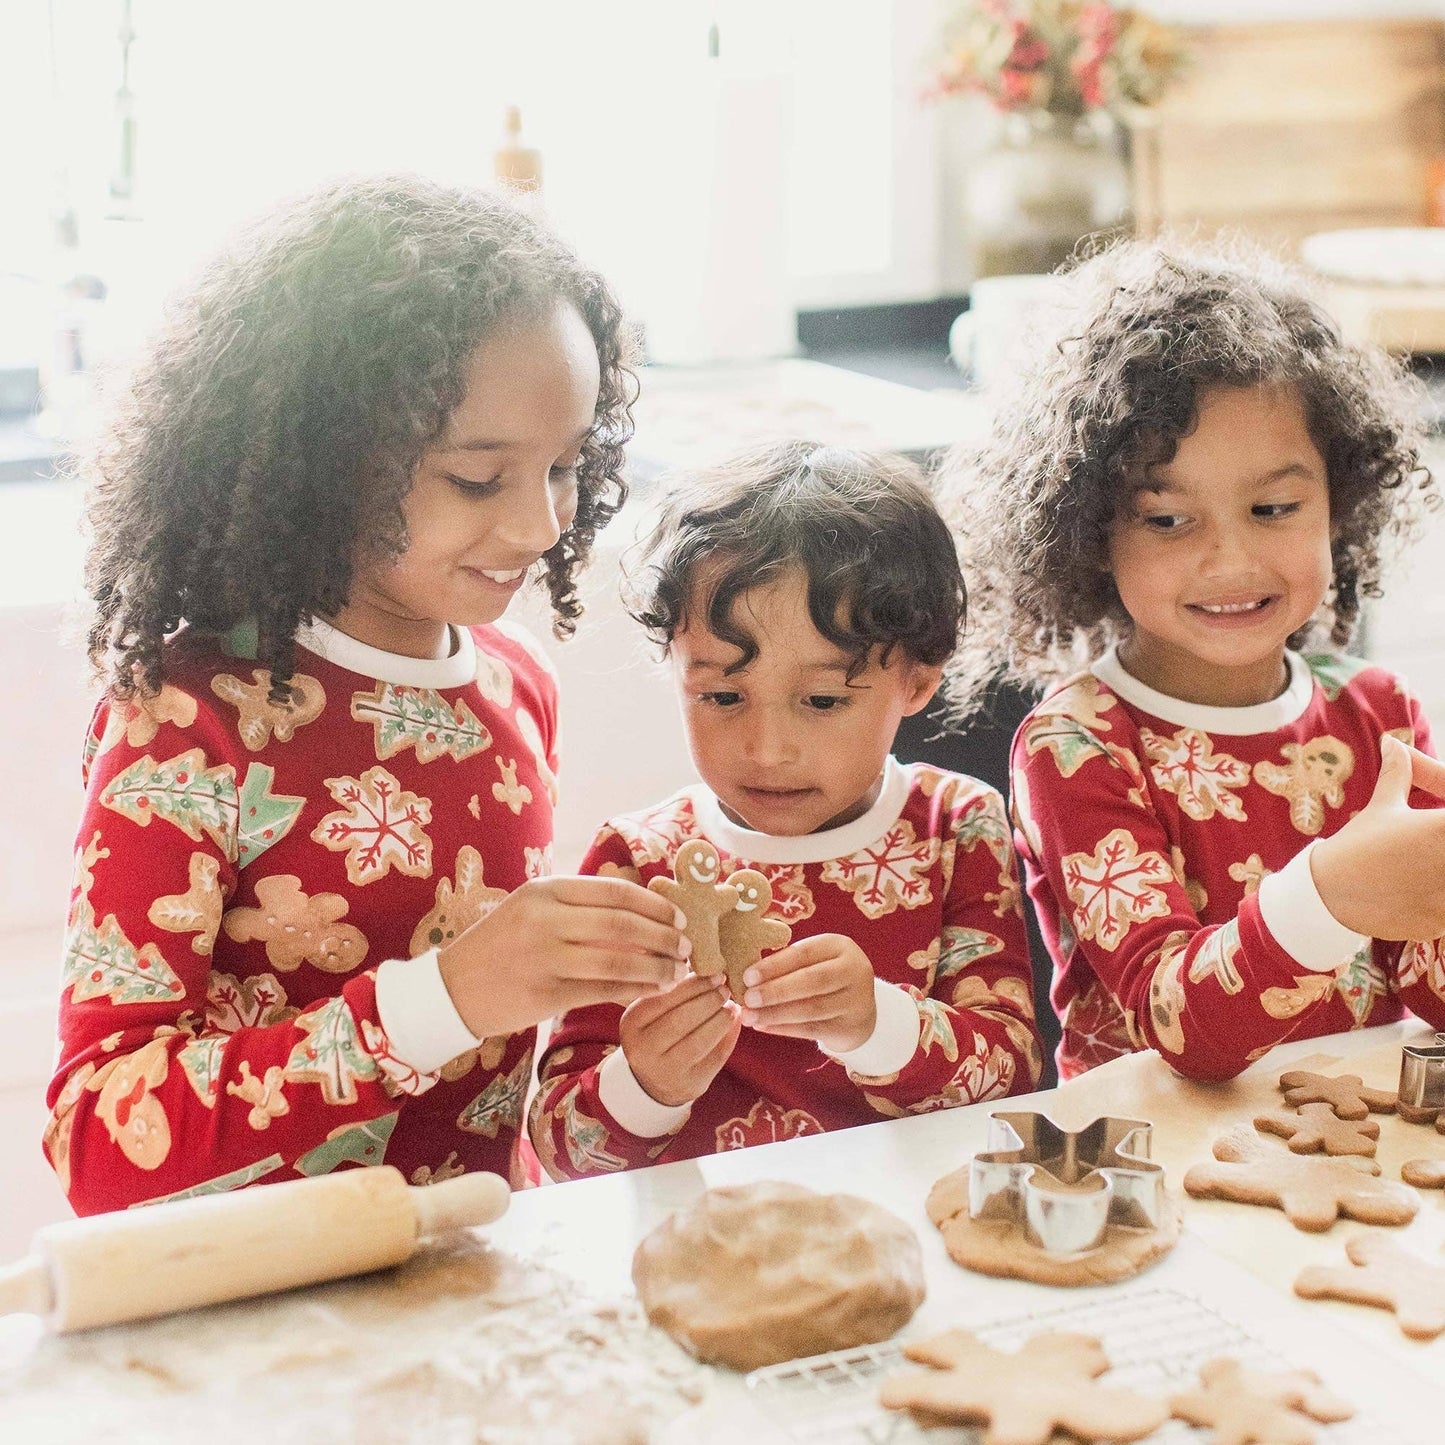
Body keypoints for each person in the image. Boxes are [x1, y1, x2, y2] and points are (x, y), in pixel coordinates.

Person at [46, 175, 690, 1215]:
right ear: (324, 459)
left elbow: (492, 1117)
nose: (538, 527)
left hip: (465, 1298)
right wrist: (444, 998)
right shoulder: (184, 724)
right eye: (478, 480)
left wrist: (638, 1071)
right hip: (254, 1325)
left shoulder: (515, 685)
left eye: (567, 466)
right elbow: (100, 1138)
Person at [941, 238, 1445, 1083]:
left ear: (1338, 500)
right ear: (1089, 530)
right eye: (1168, 520)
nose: (1229, 560)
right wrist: (1333, 893)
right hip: (1157, 1176)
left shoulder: (1378, 709)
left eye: (1273, 507)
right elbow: (1181, 1026)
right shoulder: (1076, 746)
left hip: (1362, 1167)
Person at [528, 442, 1043, 1178]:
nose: (766, 749)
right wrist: (644, 1084)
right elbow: (560, 1149)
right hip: (706, 1250)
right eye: (722, 697)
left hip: (910, 1234)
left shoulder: (955, 824)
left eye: (823, 701)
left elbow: (1011, 1077)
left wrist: (876, 1023)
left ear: (917, 684)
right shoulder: (637, 861)